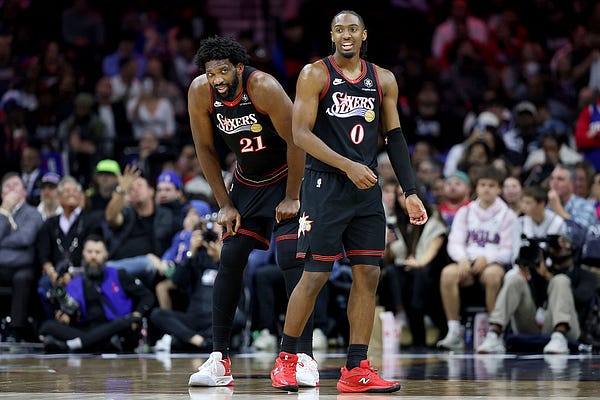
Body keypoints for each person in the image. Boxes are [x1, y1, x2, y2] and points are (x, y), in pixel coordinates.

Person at [270, 10, 427, 393]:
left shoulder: (383, 79)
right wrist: (347, 165)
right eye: (339, 29)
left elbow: (395, 137)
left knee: (369, 274)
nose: (346, 35)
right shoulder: (315, 74)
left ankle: (356, 367)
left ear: (363, 35)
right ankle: (287, 358)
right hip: (324, 185)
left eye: (352, 29)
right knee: (315, 274)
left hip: (366, 188)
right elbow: (300, 134)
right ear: (331, 35)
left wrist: (410, 192)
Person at [186, 35, 316, 388]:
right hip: (247, 182)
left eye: (223, 71)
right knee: (230, 257)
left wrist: (292, 196)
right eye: (211, 73)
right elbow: (205, 149)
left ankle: (304, 357)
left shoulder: (263, 87)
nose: (217, 79)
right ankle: (219, 359)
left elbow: (297, 140)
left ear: (239, 68)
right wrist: (224, 204)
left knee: (290, 258)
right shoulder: (199, 92)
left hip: (288, 176)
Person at [437, 166, 518, 351]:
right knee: (448, 273)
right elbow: (455, 242)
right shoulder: (465, 212)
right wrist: (462, 259)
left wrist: (487, 258)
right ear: (476, 188)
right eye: (483, 185)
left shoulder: (508, 215)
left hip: (495, 262)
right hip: (468, 261)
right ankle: (454, 331)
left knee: (492, 276)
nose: (487, 189)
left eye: (491, 185)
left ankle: (494, 333)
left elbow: (508, 250)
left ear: (499, 189)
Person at [475, 232, 597, 354]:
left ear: (574, 247)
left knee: (560, 280)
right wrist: (529, 273)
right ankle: (494, 334)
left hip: (569, 328)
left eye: (564, 243)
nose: (559, 248)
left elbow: (581, 298)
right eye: (556, 244)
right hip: (535, 325)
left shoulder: (586, 275)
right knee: (515, 280)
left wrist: (548, 276)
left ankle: (559, 337)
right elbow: (534, 301)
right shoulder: (539, 271)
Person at [38, 235, 155, 353]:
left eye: (98, 252)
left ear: (106, 255)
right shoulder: (74, 284)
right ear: (83, 253)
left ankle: (72, 345)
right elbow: (73, 313)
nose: (93, 256)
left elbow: (147, 296)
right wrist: (65, 319)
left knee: (124, 322)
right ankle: (91, 344)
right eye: (89, 252)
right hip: (88, 330)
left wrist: (138, 312)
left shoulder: (119, 275)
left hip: (117, 328)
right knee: (47, 326)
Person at [0, 172, 44, 341]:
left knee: (22, 278)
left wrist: (3, 241)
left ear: (24, 192)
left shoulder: (33, 213)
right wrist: (4, 212)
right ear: (2, 194)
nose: (11, 189)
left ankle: (16, 330)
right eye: (7, 186)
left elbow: (26, 238)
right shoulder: (1, 213)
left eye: (15, 185)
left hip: (23, 267)